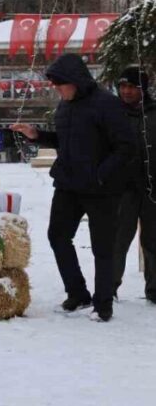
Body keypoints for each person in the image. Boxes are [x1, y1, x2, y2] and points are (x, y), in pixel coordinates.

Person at [11, 53, 135, 322]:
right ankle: (78, 293)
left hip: (102, 190)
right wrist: (36, 135)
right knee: (57, 235)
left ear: (75, 81)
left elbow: (126, 147)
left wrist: (101, 175)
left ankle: (103, 305)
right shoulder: (65, 106)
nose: (57, 89)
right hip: (69, 184)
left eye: (60, 84)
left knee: (102, 247)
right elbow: (64, 140)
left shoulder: (107, 104)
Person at [111, 66, 156, 303]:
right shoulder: (112, 113)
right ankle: (109, 288)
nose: (126, 91)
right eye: (123, 86)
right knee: (118, 240)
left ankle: (154, 290)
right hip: (123, 189)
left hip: (152, 188)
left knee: (153, 241)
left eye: (132, 87)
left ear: (143, 89)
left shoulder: (153, 112)